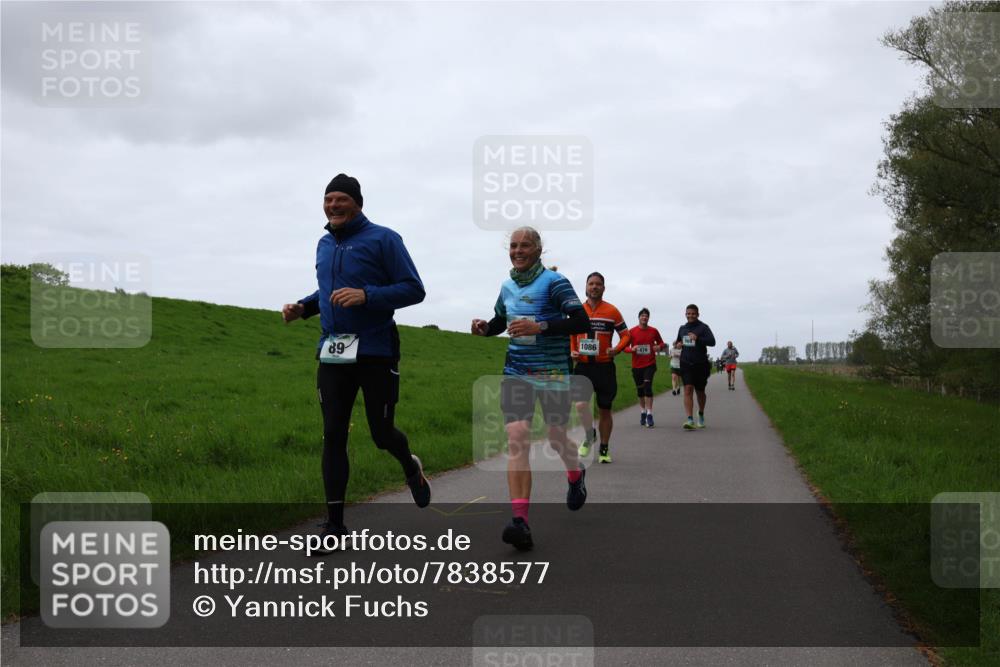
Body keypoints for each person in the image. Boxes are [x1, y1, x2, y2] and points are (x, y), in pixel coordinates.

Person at [282, 173, 430, 551]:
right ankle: (334, 527)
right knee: (333, 434)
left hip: (376, 350)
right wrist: (304, 307)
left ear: (357, 203)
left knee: (382, 434)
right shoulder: (324, 244)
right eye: (328, 199)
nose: (333, 205)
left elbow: (414, 289)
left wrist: (367, 295)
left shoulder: (384, 238)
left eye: (341, 199)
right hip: (333, 351)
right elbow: (328, 291)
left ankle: (411, 466)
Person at [471, 227, 590, 551]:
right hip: (517, 372)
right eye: (513, 245)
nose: (518, 250)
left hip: (552, 372)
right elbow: (500, 320)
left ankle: (575, 473)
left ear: (539, 250)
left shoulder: (554, 283)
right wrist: (485, 329)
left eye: (525, 245)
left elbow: (581, 322)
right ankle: (520, 521)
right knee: (517, 436)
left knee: (555, 436)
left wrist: (542, 326)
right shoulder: (507, 286)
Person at [572, 273, 631, 463]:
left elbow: (626, 335)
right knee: (581, 405)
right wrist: (572, 350)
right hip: (583, 366)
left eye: (598, 284)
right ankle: (590, 435)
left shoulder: (612, 311)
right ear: (586, 287)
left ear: (604, 288)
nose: (594, 287)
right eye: (591, 284)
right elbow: (571, 333)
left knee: (605, 409)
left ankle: (604, 449)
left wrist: (617, 349)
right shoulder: (577, 310)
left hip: (604, 367)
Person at [673, 304, 716, 430]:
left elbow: (712, 341)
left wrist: (698, 338)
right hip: (686, 363)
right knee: (688, 389)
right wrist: (678, 344)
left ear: (698, 314)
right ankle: (690, 419)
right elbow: (678, 342)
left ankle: (701, 413)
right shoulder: (682, 328)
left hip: (700, 364)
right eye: (688, 313)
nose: (690, 315)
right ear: (685, 314)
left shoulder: (703, 327)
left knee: (700, 392)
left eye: (693, 313)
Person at [624, 308, 665, 428]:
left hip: (650, 364)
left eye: (646, 316)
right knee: (640, 391)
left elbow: (662, 343)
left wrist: (659, 347)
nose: (644, 318)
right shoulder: (631, 332)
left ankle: (649, 414)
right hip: (636, 366)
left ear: (648, 318)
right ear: (639, 318)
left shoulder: (654, 331)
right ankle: (642, 412)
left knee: (647, 387)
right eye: (642, 316)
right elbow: (624, 347)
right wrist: (631, 349)